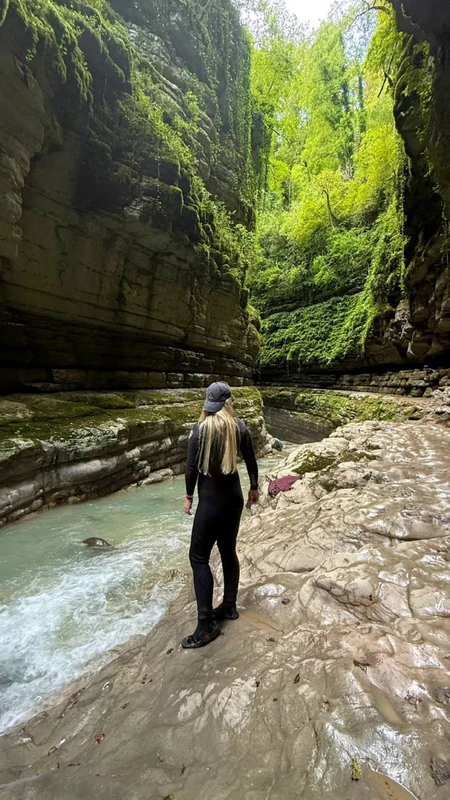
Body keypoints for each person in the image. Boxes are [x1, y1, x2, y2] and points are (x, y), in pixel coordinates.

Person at [181, 381, 259, 649]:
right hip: (234, 500)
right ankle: (229, 606)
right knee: (228, 550)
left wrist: (189, 495)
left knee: (198, 557)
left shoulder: (199, 430)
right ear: (229, 403)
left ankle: (205, 625)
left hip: (211, 503)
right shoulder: (240, 428)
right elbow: (251, 460)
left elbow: (191, 468)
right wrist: (255, 489)